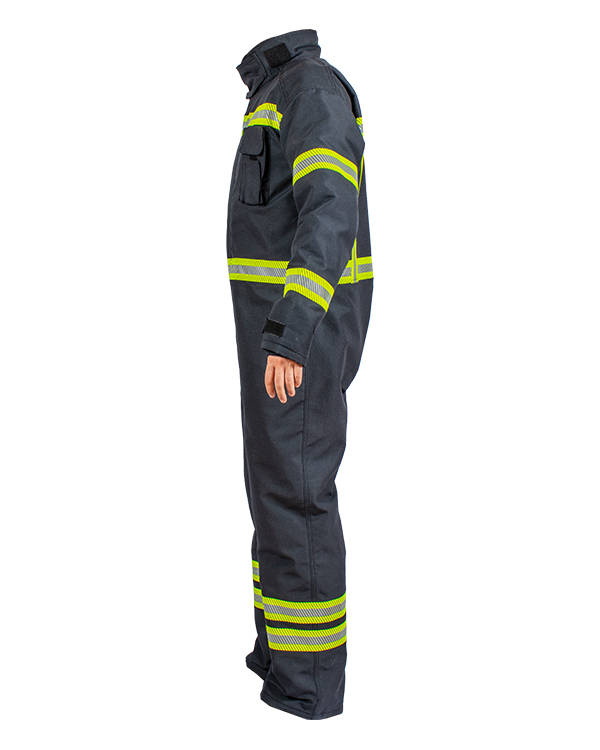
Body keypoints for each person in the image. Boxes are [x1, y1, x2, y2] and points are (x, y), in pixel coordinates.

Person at [226, 28, 373, 720]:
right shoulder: (279, 91)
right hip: (277, 336)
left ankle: (308, 682)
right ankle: (281, 655)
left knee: (297, 494)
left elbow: (331, 213)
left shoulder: (308, 90)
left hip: (298, 338)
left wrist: (290, 334)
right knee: (274, 488)